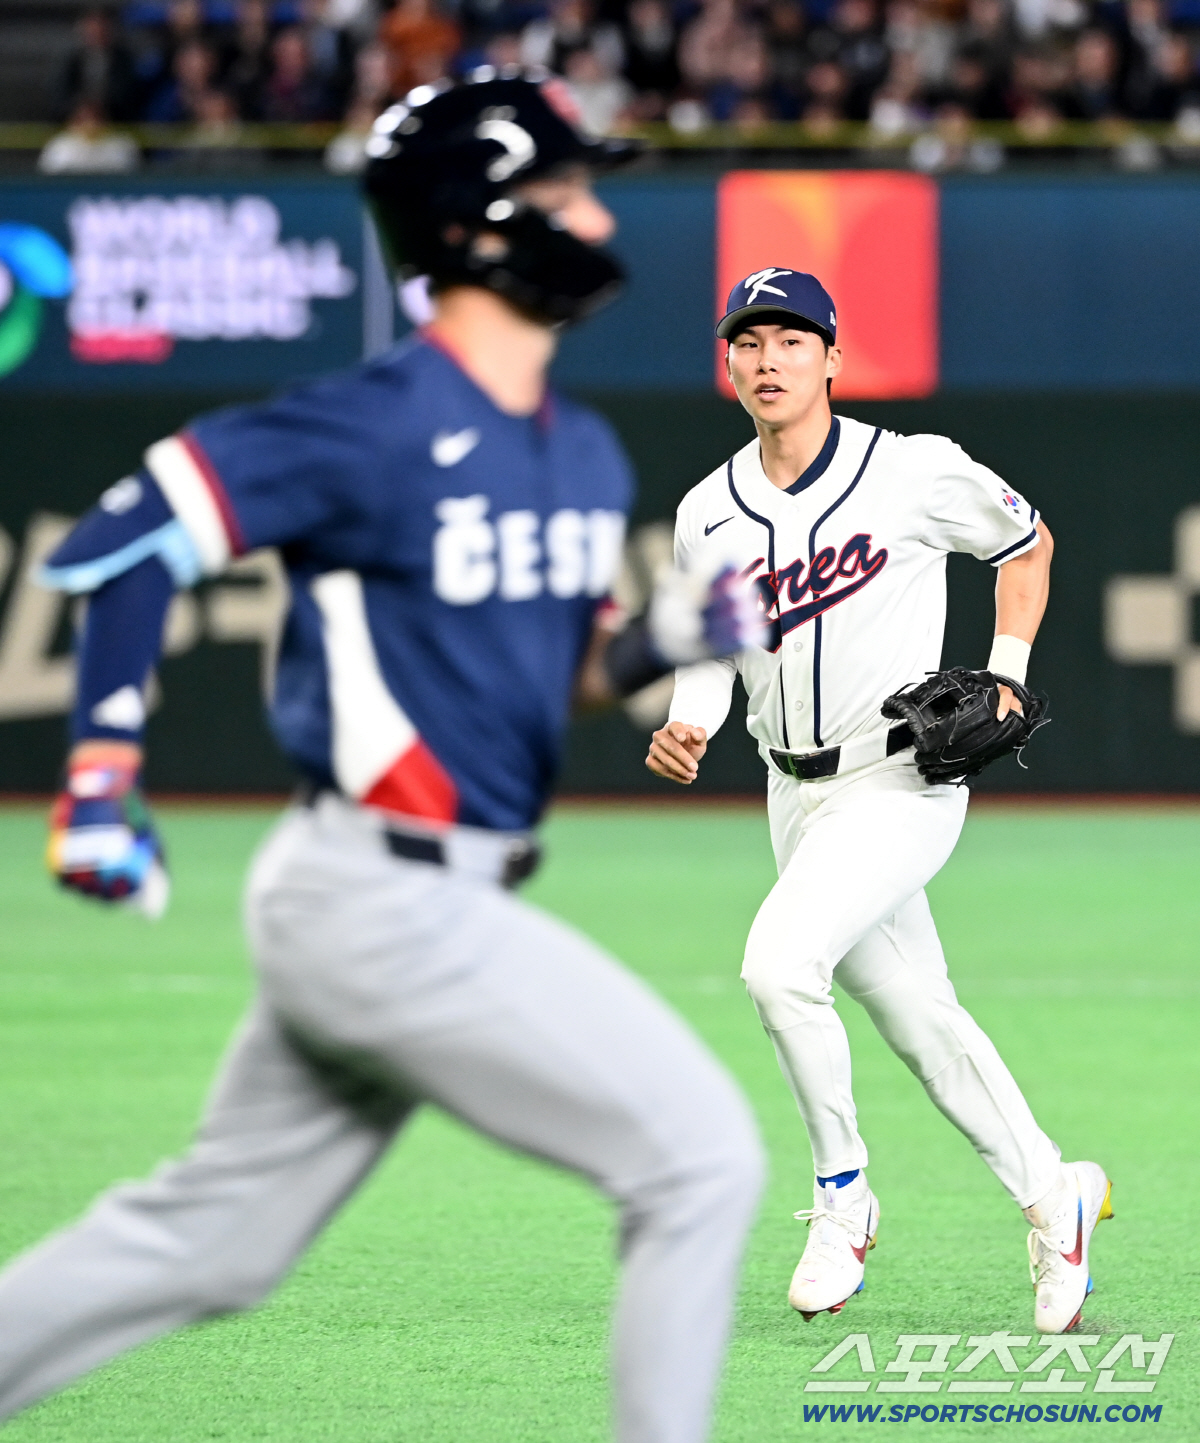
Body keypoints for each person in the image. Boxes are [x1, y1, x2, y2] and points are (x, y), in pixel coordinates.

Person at [0, 77, 765, 1441]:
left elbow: (554, 680)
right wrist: (104, 771)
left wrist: (651, 644)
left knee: (214, 1240)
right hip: (380, 894)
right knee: (702, 1161)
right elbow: (123, 540)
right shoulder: (373, 420)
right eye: (565, 190)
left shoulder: (581, 452)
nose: (597, 217)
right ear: (476, 226)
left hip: (410, 895)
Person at [646, 267, 1113, 1336]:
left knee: (778, 966)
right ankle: (1057, 1198)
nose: (769, 360)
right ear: (730, 365)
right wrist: (691, 719)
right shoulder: (707, 510)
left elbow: (1027, 543)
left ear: (832, 359)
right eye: (749, 343)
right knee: (918, 1019)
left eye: (791, 341)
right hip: (791, 789)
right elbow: (710, 647)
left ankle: (842, 1196)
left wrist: (1005, 671)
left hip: (900, 776)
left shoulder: (909, 470)